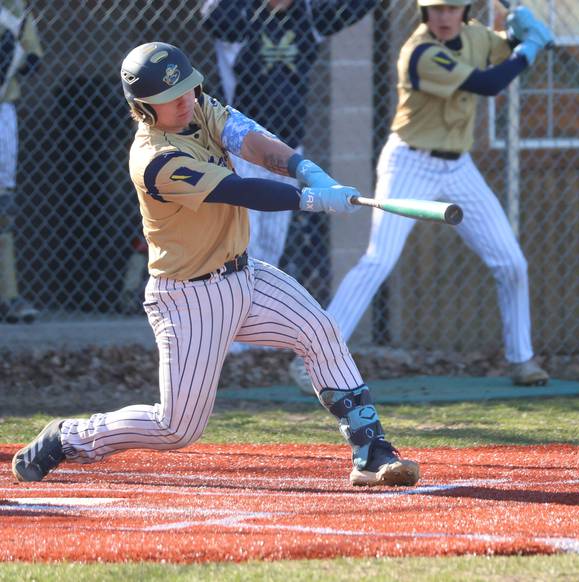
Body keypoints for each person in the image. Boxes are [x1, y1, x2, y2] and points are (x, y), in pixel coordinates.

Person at [11, 42, 419, 489]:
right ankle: (69, 437)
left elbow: (248, 138)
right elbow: (236, 190)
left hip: (244, 274)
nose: (185, 99)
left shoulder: (197, 106)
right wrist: (309, 199)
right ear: (143, 106)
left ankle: (372, 450)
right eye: (171, 96)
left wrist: (306, 168)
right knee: (177, 428)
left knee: (319, 330)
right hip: (189, 297)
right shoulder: (154, 160)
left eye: (189, 88)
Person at [289, 0, 553, 392]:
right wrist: (529, 47)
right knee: (378, 260)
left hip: (459, 166)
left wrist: (519, 30)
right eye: (435, 10)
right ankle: (312, 357)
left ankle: (522, 359)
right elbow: (489, 83)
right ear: (424, 14)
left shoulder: (476, 34)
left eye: (451, 9)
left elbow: (499, 47)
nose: (443, 17)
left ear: (463, 11)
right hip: (410, 163)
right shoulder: (420, 52)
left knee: (511, 262)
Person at [201, 0, 378, 353]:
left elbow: (355, 8)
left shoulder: (308, 14)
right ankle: (228, 327)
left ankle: (252, 327)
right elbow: (211, 18)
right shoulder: (239, 15)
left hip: (288, 147)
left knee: (272, 243)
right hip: (244, 149)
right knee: (243, 238)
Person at [0, 0, 41, 324]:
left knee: (3, 205)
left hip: (3, 109)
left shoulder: (15, 8)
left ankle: (8, 294)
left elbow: (32, 59)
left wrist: (12, 49)